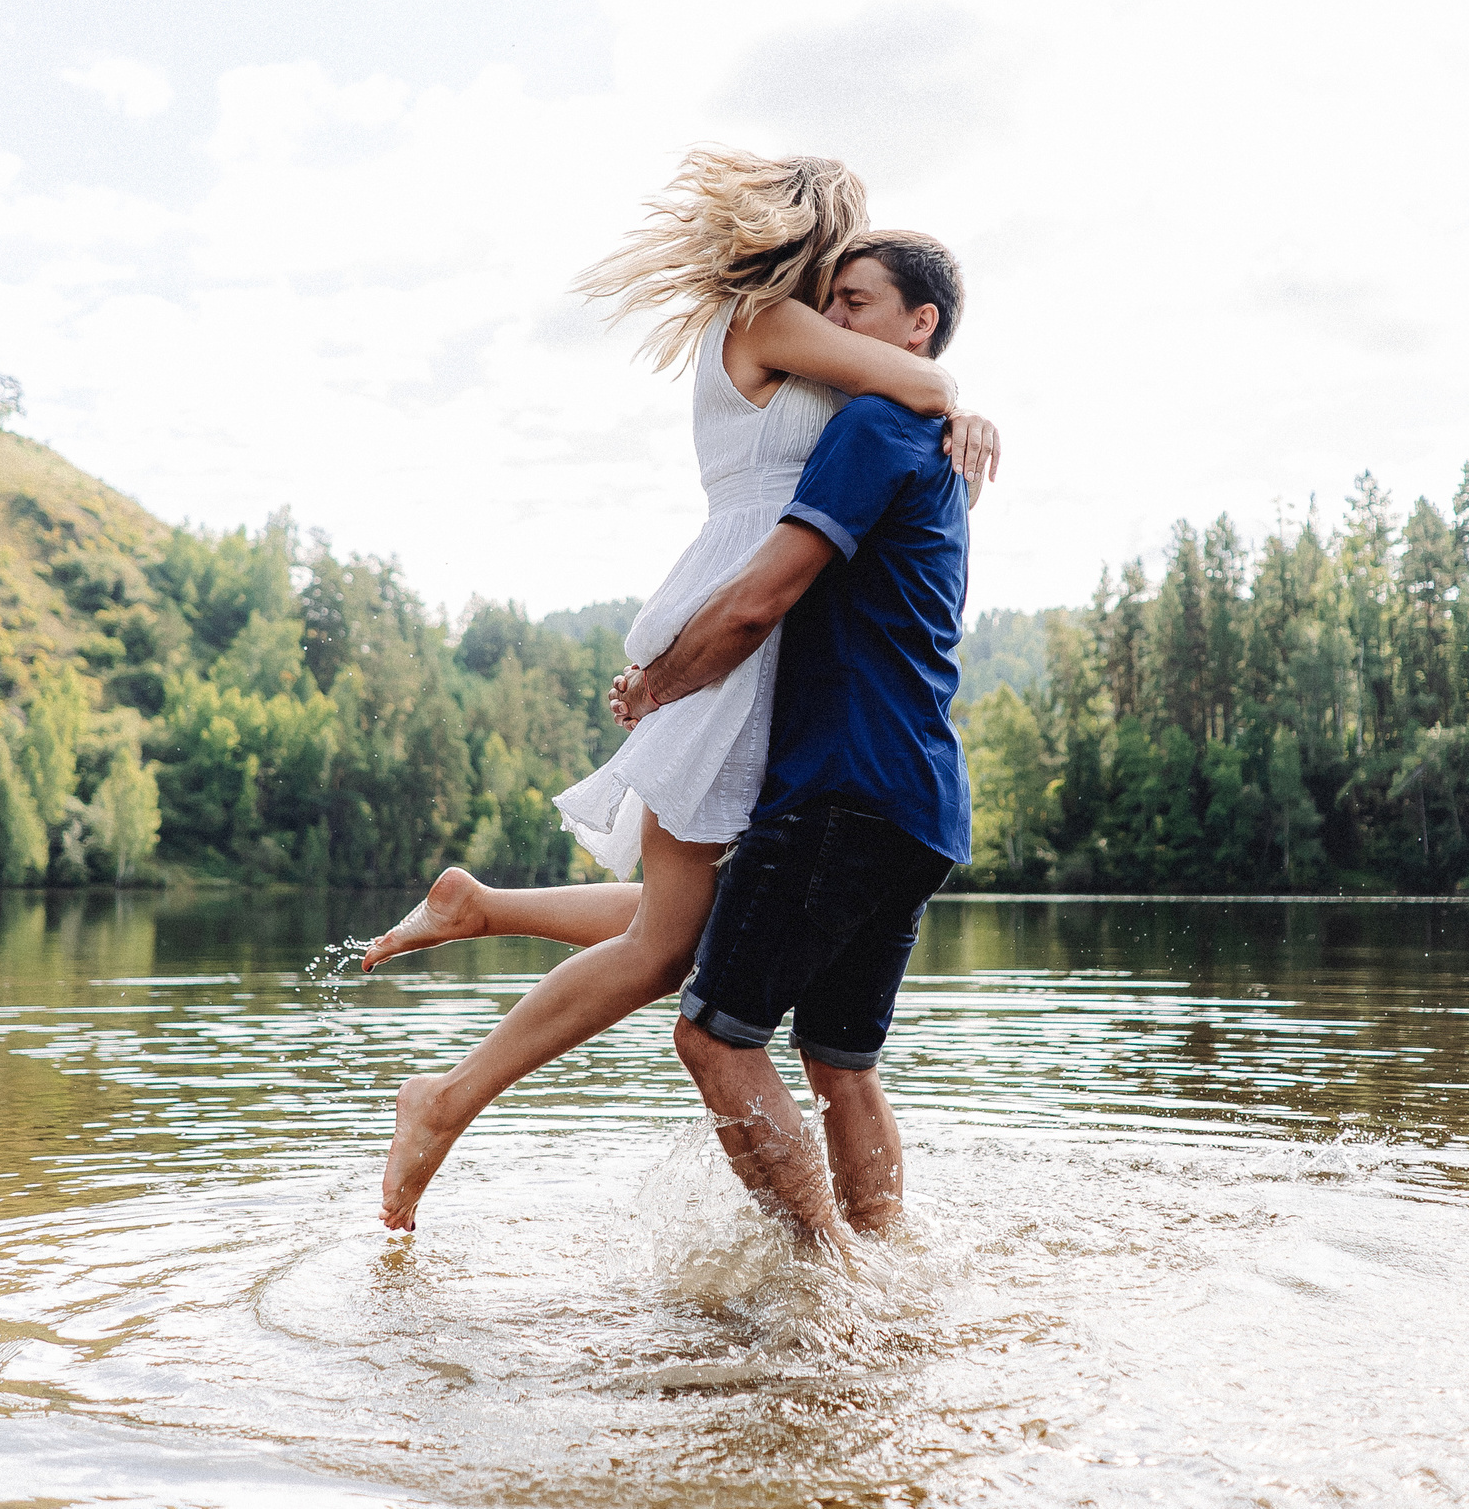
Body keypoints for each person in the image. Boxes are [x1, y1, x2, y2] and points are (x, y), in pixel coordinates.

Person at [362, 152, 996, 1232]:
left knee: (690, 924)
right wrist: (963, 407)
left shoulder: (812, 352)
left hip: (766, 632)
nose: (840, 298)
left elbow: (914, 407)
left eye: (860, 291)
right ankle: (447, 1098)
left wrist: (955, 425)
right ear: (816, 234)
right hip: (733, 614)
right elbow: (926, 382)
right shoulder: (764, 319)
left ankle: (481, 913)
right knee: (670, 949)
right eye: (838, 274)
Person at [613, 267, 974, 1245]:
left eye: (852, 302)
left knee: (713, 1036)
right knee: (840, 1062)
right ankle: (888, 1263)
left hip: (840, 790)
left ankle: (830, 1282)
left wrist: (652, 689)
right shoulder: (939, 448)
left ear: (919, 322)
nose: (830, 321)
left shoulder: (866, 429)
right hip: (923, 805)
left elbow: (756, 598)